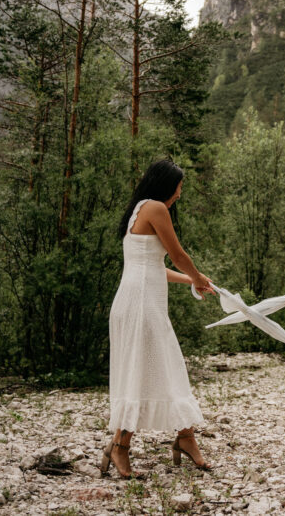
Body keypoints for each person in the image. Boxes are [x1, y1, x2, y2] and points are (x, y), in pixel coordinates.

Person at [100, 159, 215, 478]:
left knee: (167, 366)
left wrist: (194, 280)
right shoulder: (155, 208)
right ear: (166, 185)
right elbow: (178, 256)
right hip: (140, 305)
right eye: (179, 187)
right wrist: (197, 276)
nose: (179, 194)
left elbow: (156, 268)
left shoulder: (138, 210)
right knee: (141, 372)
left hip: (136, 300)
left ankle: (185, 438)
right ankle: (120, 447)